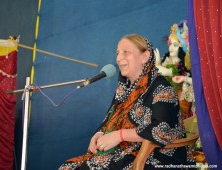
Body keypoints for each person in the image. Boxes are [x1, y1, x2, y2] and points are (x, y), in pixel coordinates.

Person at [58, 34, 195, 169]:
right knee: (67, 167)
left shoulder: (162, 88)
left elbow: (162, 129)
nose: (118, 58)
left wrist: (120, 135)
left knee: (93, 167)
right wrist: (99, 133)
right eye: (117, 53)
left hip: (159, 157)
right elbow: (111, 119)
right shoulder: (124, 91)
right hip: (126, 153)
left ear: (145, 56)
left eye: (126, 52)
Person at [155, 20, 195, 118]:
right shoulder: (167, 60)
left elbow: (196, 82)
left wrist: (164, 69)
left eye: (175, 45)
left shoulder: (185, 65)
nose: (171, 48)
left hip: (181, 104)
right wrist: (158, 64)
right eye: (170, 44)